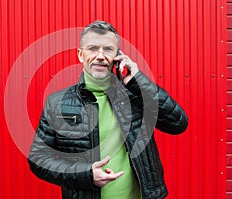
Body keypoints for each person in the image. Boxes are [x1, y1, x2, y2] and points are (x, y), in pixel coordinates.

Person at [27, 20, 188, 199]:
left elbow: (178, 123)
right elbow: (38, 160)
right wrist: (86, 174)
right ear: (81, 55)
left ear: (117, 56)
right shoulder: (57, 102)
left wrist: (138, 82)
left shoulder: (135, 95)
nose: (100, 56)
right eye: (93, 48)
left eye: (108, 49)